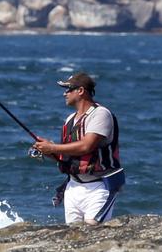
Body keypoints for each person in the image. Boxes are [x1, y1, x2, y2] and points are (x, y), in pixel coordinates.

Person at [33, 72, 123, 225]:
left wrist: (53, 147)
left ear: (80, 91)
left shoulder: (100, 114)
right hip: (73, 187)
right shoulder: (69, 120)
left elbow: (86, 146)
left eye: (68, 89)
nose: (64, 94)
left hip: (99, 186)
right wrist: (48, 150)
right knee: (74, 235)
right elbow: (68, 155)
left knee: (92, 226)